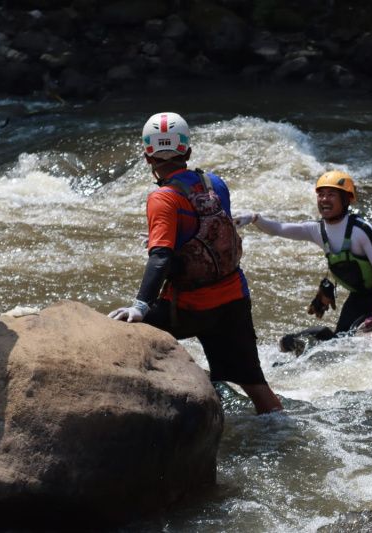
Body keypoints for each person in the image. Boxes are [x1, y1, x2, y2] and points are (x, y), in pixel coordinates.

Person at [108, 112, 282, 414]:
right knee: (254, 383)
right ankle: (281, 428)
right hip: (232, 298)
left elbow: (161, 256)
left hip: (187, 308)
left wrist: (140, 306)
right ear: (187, 151)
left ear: (148, 157)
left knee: (118, 335)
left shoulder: (162, 198)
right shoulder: (215, 183)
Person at [234, 171, 372, 351]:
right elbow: (279, 229)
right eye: (321, 195)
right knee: (340, 341)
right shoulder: (316, 230)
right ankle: (300, 340)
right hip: (361, 296)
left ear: (346, 199)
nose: (324, 200)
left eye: (331, 195)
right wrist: (254, 218)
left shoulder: (360, 229)